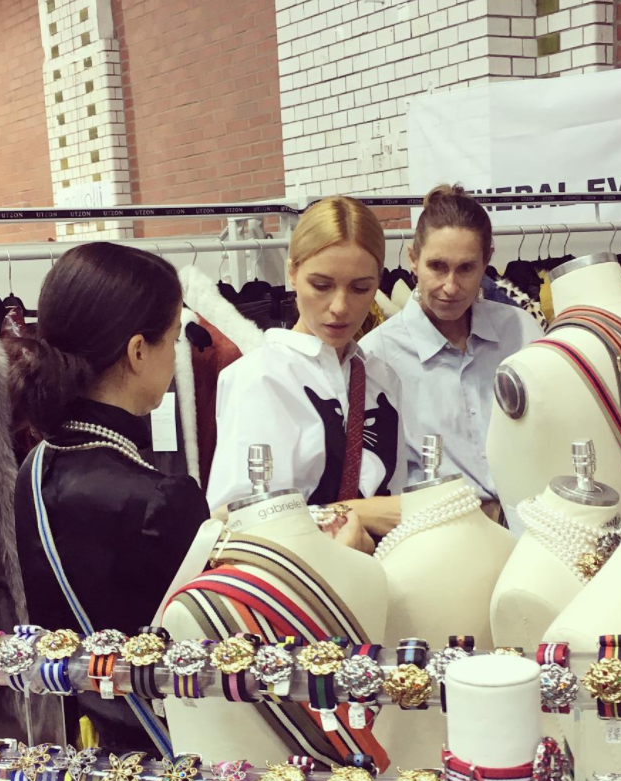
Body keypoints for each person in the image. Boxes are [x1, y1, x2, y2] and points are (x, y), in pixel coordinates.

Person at [11, 243, 209, 751]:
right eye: (173, 339)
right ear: (139, 351)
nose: (176, 355)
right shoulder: (162, 498)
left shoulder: (34, 468)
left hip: (86, 748)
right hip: (171, 752)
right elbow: (207, 655)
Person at [207, 196, 407, 537]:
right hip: (299, 569)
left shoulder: (381, 377)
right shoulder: (258, 378)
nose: (340, 306)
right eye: (321, 285)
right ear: (292, 273)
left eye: (361, 288)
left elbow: (394, 502)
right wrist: (353, 513)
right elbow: (235, 520)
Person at [361, 184, 543, 513]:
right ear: (413, 259)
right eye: (437, 266)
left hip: (534, 520)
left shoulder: (520, 331)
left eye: (466, 268)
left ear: (486, 261)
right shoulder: (377, 356)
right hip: (439, 528)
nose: (450, 286)